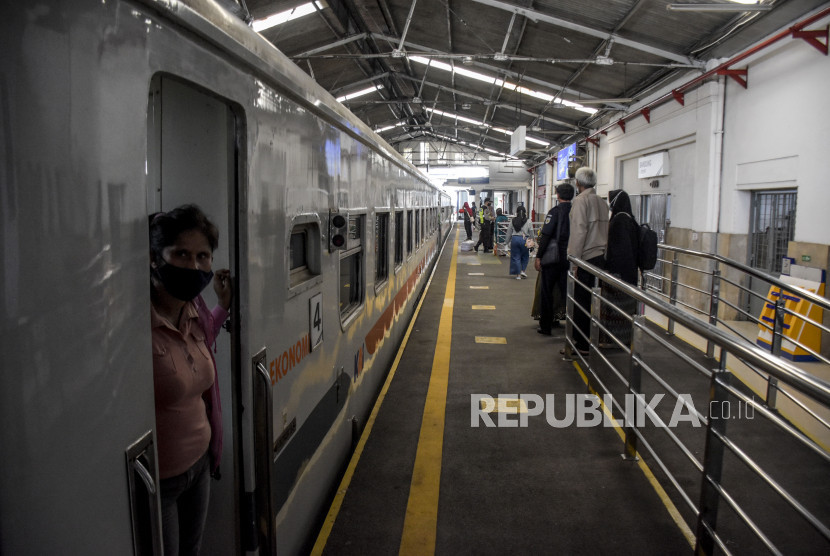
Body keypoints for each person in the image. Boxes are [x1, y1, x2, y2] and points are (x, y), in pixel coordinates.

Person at [149, 205, 233, 556]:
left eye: (203, 256)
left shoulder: (194, 306)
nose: (194, 266)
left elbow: (203, 341)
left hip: (201, 462)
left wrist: (222, 305)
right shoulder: (136, 323)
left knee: (192, 550)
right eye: (181, 253)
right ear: (156, 258)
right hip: (161, 480)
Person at [565, 167, 609, 356]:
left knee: (581, 301)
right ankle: (594, 339)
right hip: (601, 258)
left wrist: (574, 262)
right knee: (596, 300)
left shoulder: (581, 202)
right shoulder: (601, 202)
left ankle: (581, 342)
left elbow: (578, 232)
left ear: (578, 183)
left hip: (586, 258)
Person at [535, 182, 574, 335]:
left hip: (553, 260)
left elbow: (545, 236)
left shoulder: (555, 212)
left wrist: (539, 256)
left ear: (557, 195)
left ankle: (546, 326)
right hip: (571, 260)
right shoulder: (576, 212)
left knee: (547, 293)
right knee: (569, 295)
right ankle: (572, 330)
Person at [603, 189, 640, 345]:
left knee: (615, 308)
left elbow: (619, 249)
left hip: (619, 273)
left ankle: (614, 339)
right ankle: (623, 339)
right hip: (630, 273)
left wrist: (609, 269)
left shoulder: (619, 221)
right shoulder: (630, 219)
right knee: (626, 309)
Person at [506, 205, 534, 279]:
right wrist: (532, 241)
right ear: (525, 212)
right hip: (525, 240)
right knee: (525, 256)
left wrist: (506, 242)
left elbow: (509, 232)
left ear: (517, 212)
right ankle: (523, 271)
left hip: (515, 239)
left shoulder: (513, 220)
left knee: (516, 257)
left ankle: (518, 275)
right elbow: (531, 232)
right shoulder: (528, 221)